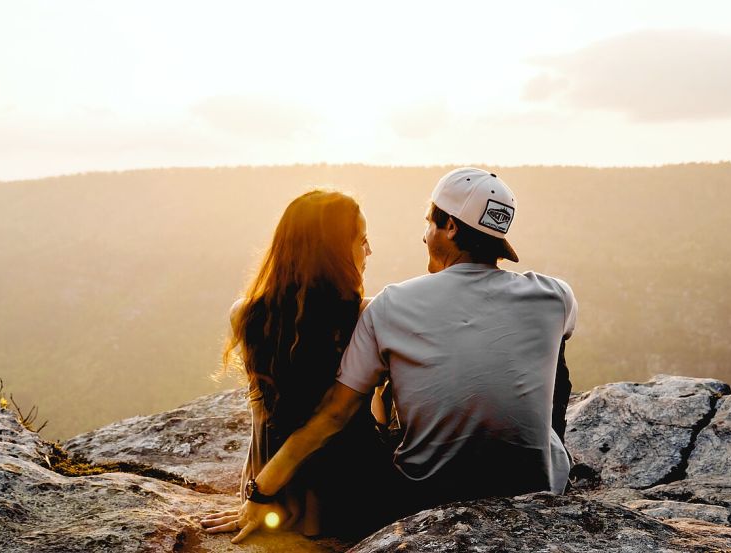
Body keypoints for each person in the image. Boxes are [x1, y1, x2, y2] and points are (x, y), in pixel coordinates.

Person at [224, 167, 578, 544]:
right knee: (554, 350)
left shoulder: (392, 305)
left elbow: (334, 412)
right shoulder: (555, 296)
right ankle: (535, 453)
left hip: (424, 495)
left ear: (451, 228)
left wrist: (262, 488)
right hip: (537, 489)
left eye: (429, 223)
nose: (424, 235)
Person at [200, 189, 387, 540]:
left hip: (274, 495)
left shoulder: (244, 314)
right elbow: (335, 417)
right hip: (350, 494)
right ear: (332, 253)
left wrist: (257, 493)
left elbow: (263, 419)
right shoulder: (366, 315)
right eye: (362, 240)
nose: (369, 251)